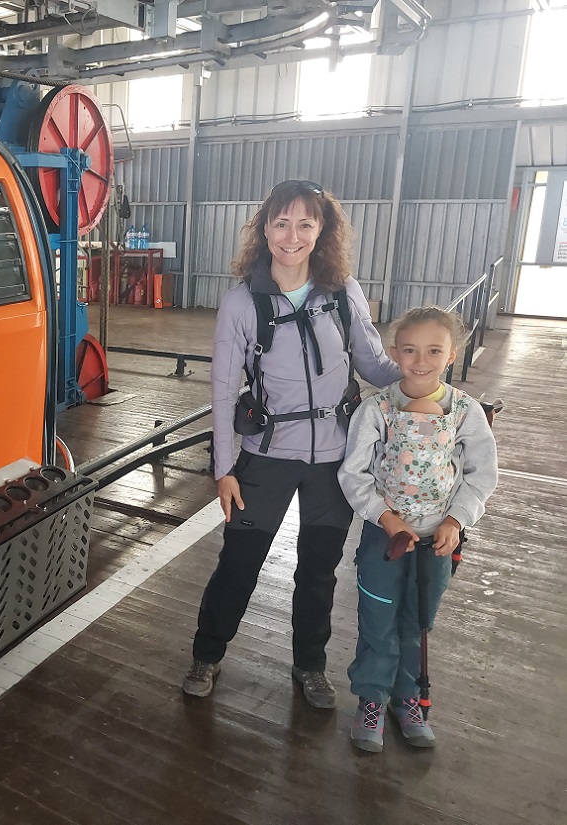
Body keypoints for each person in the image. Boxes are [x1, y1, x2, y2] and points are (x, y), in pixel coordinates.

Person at [181, 179, 401, 709]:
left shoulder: (344, 292)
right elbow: (222, 389)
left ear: (322, 230)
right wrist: (225, 468)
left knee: (319, 571)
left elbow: (372, 365)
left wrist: (430, 384)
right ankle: (208, 655)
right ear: (264, 228)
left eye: (306, 223)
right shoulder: (241, 303)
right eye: (281, 222)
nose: (292, 235)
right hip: (266, 458)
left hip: (333, 462)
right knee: (239, 562)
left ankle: (311, 667)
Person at [338, 306, 498, 752]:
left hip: (438, 543)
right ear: (394, 353)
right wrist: (388, 521)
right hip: (384, 540)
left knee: (417, 622)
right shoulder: (376, 409)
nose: (421, 360)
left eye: (433, 350)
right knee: (378, 619)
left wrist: (456, 520)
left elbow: (480, 475)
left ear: (451, 355)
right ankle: (372, 698)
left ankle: (407, 698)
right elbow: (355, 475)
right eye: (409, 350)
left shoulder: (466, 412)